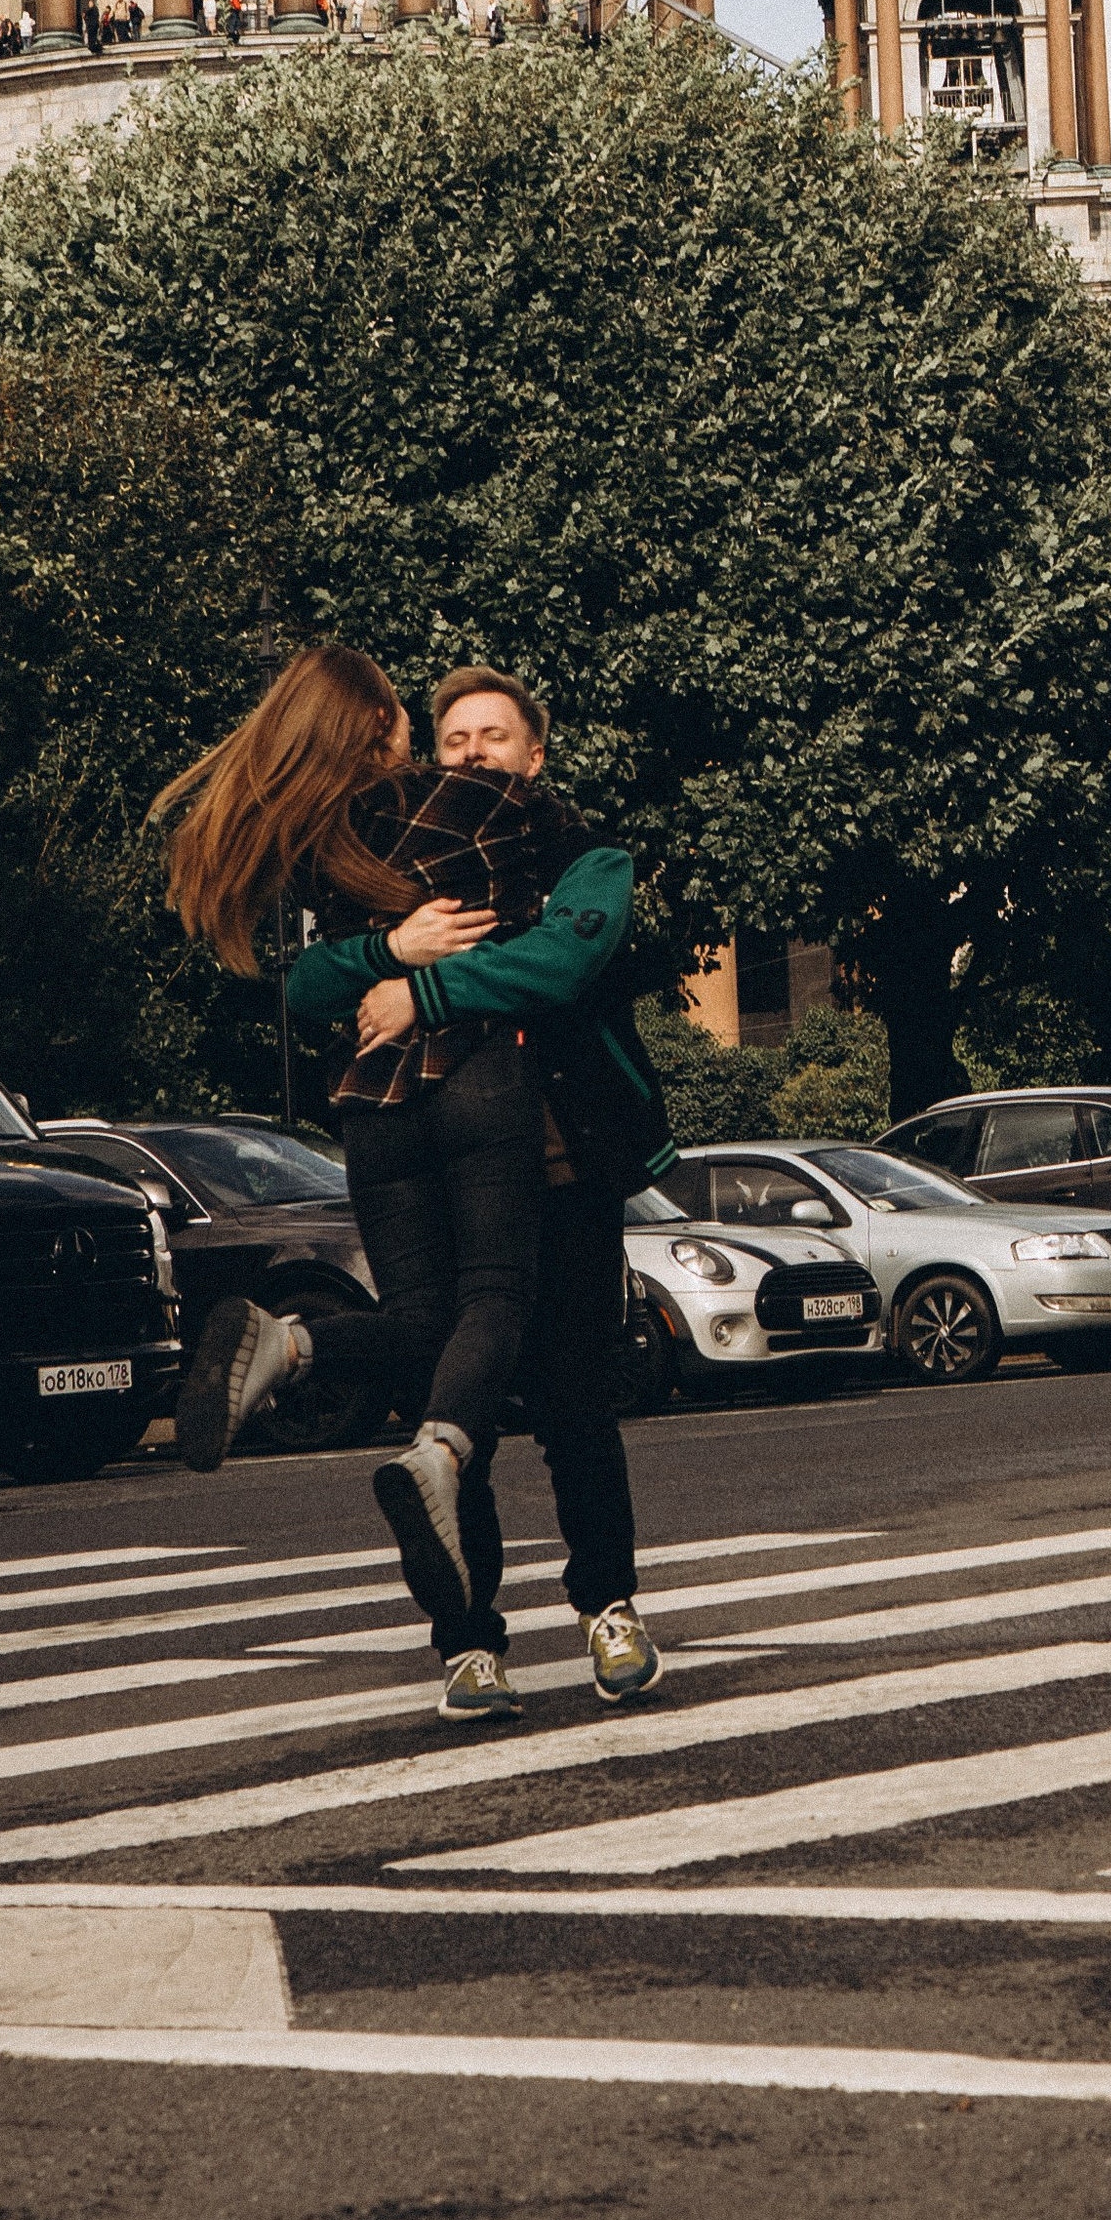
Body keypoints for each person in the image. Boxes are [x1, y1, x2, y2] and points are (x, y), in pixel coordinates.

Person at [154, 645, 576, 1716]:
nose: (451, 744)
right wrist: (418, 950)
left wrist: (382, 952)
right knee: (496, 1300)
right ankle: (439, 1454)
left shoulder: (315, 840)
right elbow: (573, 912)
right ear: (383, 729)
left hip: (371, 1106)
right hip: (476, 1077)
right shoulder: (475, 802)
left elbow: (299, 984)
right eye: (414, 716)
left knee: (424, 1316)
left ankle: (292, 1344)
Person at [280, 662, 668, 1716]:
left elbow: (558, 964)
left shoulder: (588, 857)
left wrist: (423, 990)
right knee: (457, 1426)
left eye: (493, 737)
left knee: (580, 1404)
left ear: (535, 754)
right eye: (452, 739)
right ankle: (467, 1644)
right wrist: (384, 950)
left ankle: (608, 1608)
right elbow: (306, 984)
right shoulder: (389, 864)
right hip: (445, 1169)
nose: (470, 754)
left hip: (563, 1169)